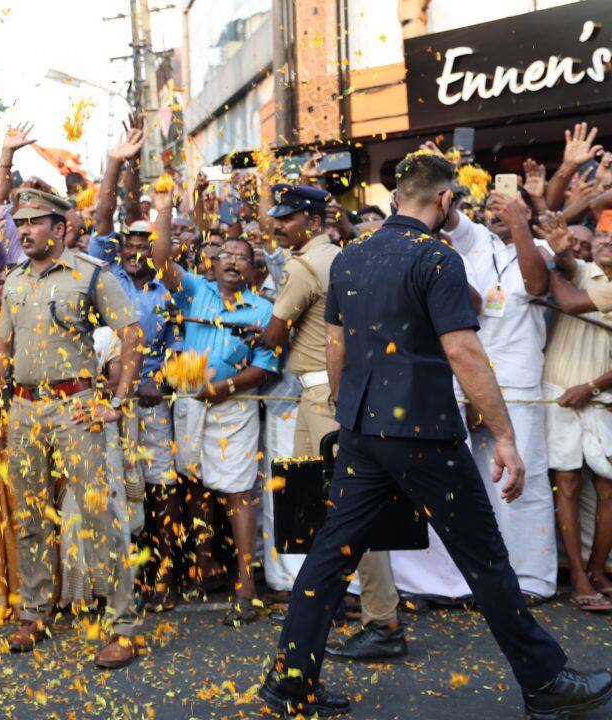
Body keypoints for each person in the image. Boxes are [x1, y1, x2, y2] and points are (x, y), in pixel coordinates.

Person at [260, 152, 612, 719]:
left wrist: (348, 414)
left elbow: (336, 347)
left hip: (361, 429)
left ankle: (288, 682)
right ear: (445, 201)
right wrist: (505, 437)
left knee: (329, 556)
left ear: (398, 198)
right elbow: (464, 351)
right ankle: (545, 682)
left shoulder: (350, 258)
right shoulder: (438, 259)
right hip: (422, 432)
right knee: (487, 560)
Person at [0, 187, 145, 669]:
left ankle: (123, 625)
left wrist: (117, 400)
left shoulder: (89, 273)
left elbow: (131, 332)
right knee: (30, 515)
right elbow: (2, 351)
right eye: (22, 222)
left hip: (77, 405)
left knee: (98, 514)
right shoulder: (13, 281)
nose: (26, 230)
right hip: (25, 409)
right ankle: (34, 613)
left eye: (36, 221)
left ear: (58, 228)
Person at [260, 183, 406, 660]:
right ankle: (335, 605)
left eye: (287, 218)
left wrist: (255, 330)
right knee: (317, 507)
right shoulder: (344, 254)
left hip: (325, 397)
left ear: (312, 220)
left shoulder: (304, 266)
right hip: (331, 393)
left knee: (349, 509)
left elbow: (273, 335)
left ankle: (383, 622)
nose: (278, 225)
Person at [151, 186, 278, 625]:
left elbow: (264, 368)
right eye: (224, 253)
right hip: (191, 404)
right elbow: (162, 263)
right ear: (212, 261)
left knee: (239, 494)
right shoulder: (196, 292)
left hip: (233, 408)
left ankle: (245, 585)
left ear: (253, 268)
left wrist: (222, 388)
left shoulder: (263, 310)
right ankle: (198, 570)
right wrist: (164, 212)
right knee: (193, 486)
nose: (231, 260)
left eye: (241, 256)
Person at [443, 190, 557, 603]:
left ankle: (531, 580)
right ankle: (484, 579)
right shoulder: (476, 242)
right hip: (471, 381)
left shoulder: (540, 247)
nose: (497, 214)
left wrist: (521, 224)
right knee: (478, 483)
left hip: (520, 382)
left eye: (507, 207)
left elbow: (536, 283)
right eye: (493, 208)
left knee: (522, 482)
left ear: (526, 213)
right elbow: (451, 219)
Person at [87, 127, 183, 611]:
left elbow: (180, 345)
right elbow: (102, 219)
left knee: (161, 488)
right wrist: (116, 161)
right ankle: (122, 578)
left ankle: (161, 576)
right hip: (105, 403)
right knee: (117, 491)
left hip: (150, 403)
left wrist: (158, 380)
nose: (133, 248)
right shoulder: (105, 273)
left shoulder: (169, 291)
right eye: (128, 241)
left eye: (145, 242)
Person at [539, 213, 612, 612]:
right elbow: (570, 265)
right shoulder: (583, 270)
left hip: (599, 398)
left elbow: (566, 299)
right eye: (601, 235)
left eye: (611, 237)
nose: (604, 242)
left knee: (607, 487)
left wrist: (593, 387)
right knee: (566, 482)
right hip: (559, 391)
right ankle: (580, 577)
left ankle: (598, 570)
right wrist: (560, 253)